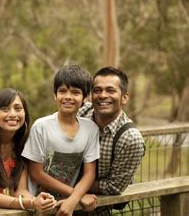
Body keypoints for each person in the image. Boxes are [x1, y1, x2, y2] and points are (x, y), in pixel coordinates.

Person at [22, 65, 100, 216]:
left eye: (75, 92)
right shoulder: (41, 126)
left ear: (85, 98)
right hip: (38, 207)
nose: (68, 97)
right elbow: (35, 173)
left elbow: (90, 173)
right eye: (62, 91)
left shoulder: (91, 129)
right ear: (55, 95)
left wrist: (72, 200)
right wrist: (77, 196)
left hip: (64, 208)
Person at [77, 66, 146, 215]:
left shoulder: (130, 139)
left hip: (95, 210)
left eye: (110, 90)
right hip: (56, 203)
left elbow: (114, 187)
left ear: (125, 97)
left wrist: (72, 186)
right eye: (97, 90)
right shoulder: (81, 112)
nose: (102, 95)